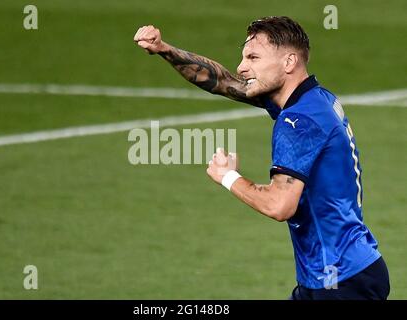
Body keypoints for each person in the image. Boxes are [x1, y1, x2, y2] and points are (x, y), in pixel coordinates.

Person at [134, 16, 390, 300]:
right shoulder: (316, 99)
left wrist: (227, 176)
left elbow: (279, 205)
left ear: (289, 62)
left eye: (253, 57)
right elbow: (224, 82)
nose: (242, 67)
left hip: (341, 282)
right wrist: (164, 49)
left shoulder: (298, 122)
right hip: (339, 272)